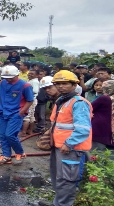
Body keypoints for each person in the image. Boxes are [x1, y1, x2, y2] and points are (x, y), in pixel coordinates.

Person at [48, 70, 92, 206]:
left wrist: (69, 143)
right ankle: (59, 202)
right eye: (58, 84)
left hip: (70, 149)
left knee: (67, 180)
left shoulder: (78, 103)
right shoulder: (62, 101)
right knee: (58, 178)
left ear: (74, 85)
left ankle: (63, 204)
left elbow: (83, 129)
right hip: (59, 147)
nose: (61, 86)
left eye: (65, 83)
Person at [0, 65, 34, 166]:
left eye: (10, 78)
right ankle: (6, 156)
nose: (8, 80)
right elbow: (1, 94)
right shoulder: (3, 83)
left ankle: (20, 152)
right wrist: (0, 100)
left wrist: (21, 112)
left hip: (15, 113)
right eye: (6, 78)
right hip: (2, 112)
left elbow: (30, 100)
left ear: (17, 75)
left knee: (10, 135)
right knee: (2, 136)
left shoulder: (25, 86)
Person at [90, 80, 114, 150]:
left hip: (100, 130)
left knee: (96, 154)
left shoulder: (104, 98)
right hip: (109, 131)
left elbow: (89, 107)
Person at [20, 69, 39, 136]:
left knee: (27, 117)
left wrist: (25, 92)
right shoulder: (32, 81)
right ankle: (30, 131)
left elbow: (35, 91)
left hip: (30, 100)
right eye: (29, 73)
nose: (30, 74)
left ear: (36, 75)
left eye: (32, 74)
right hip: (32, 100)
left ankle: (23, 132)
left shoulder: (34, 81)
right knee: (31, 116)